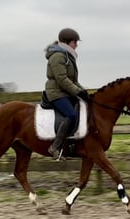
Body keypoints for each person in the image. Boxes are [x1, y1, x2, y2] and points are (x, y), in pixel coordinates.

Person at [44, 28, 90, 160]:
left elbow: (73, 81)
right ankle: (55, 147)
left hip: (65, 92)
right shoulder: (58, 56)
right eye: (75, 42)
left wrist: (83, 91)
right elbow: (62, 79)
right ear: (66, 42)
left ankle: (73, 143)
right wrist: (77, 92)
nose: (76, 45)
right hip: (56, 93)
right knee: (71, 114)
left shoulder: (67, 56)